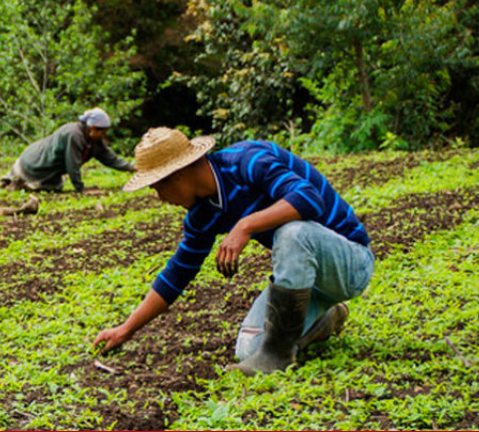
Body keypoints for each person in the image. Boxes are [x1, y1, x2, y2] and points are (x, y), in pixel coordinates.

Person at [93, 127, 374, 375]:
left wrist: (245, 225)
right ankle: (325, 318)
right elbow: (177, 274)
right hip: (309, 284)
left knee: (292, 232)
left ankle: (278, 355)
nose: (161, 199)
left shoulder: (247, 161)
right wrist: (125, 329)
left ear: (176, 175)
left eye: (158, 188)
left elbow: (308, 198)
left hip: (349, 263)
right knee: (249, 350)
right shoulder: (202, 215)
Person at [0, 108, 135, 193]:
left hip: (47, 166)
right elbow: (72, 163)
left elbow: (109, 157)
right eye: (102, 132)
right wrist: (81, 189)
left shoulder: (93, 140)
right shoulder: (74, 135)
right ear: (92, 128)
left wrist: (131, 168)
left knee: (56, 187)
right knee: (50, 188)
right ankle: (18, 182)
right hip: (34, 162)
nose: (104, 136)